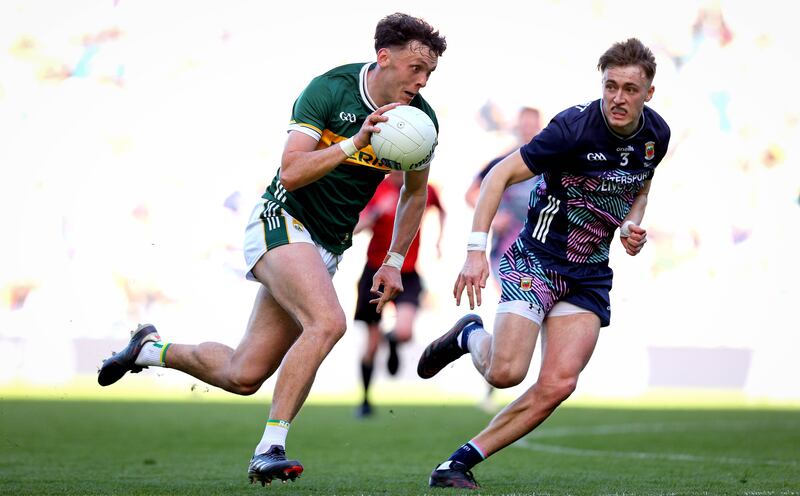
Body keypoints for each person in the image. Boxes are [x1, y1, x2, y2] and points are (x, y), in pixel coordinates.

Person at [97, 13, 446, 486]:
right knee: (328, 323)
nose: (422, 80)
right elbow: (291, 172)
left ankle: (149, 350)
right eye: (415, 68)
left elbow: (414, 194)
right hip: (281, 220)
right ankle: (270, 448)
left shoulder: (421, 121)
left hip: (327, 246)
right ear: (384, 57)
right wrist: (354, 142)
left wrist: (393, 261)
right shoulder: (329, 90)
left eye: (430, 73)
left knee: (244, 374)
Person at [417, 38, 670, 489]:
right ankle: (470, 334)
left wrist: (632, 224)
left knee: (558, 384)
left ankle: (455, 464)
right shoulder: (572, 129)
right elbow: (498, 175)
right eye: (610, 86)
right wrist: (475, 251)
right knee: (506, 372)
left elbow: (641, 189)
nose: (618, 97)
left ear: (648, 93)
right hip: (536, 259)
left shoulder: (657, 135)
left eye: (630, 89)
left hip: (589, 272)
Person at [465, 106, 542, 413]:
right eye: (523, 126)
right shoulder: (506, 161)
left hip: (543, 252)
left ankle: (534, 386)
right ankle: (493, 379)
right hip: (509, 252)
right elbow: (472, 193)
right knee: (513, 307)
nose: (528, 131)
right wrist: (493, 217)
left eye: (533, 126)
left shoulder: (551, 160)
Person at [353, 170, 445, 417]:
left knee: (404, 331)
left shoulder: (423, 187)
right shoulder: (376, 189)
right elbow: (356, 227)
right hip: (375, 272)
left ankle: (392, 342)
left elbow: (441, 210)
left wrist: (438, 241)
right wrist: (374, 213)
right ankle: (365, 399)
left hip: (407, 272)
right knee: (371, 344)